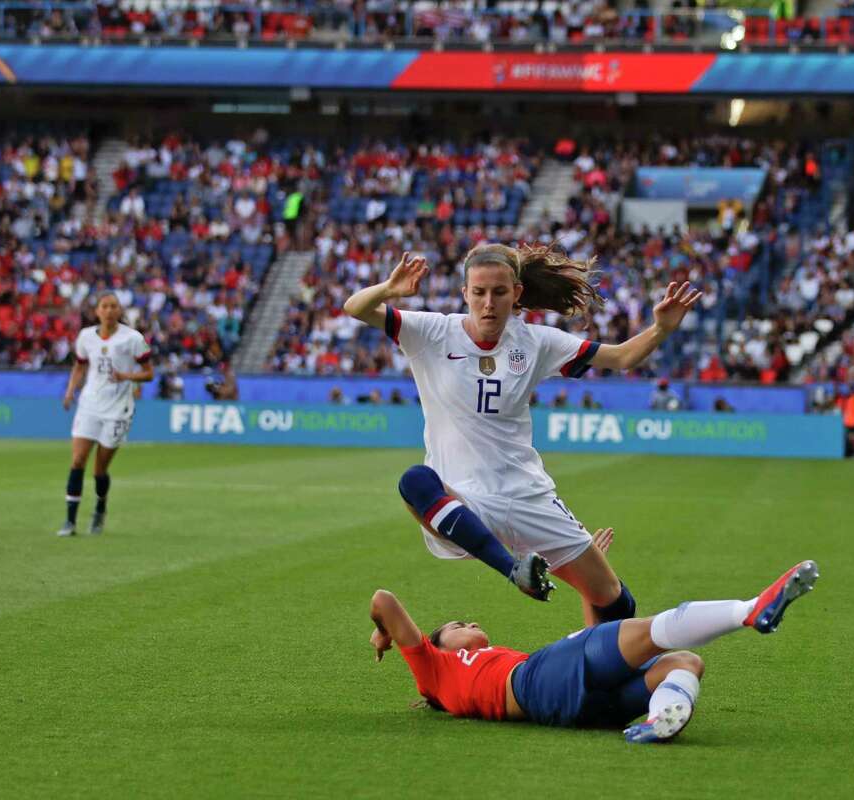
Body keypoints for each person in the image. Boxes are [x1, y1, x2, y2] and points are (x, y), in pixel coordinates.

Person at [344, 246, 700, 624]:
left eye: (499, 292)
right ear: (465, 292)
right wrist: (388, 288)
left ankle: (592, 669)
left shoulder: (536, 341)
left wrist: (661, 328)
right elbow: (356, 307)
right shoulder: (431, 331)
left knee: (614, 601)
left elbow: (621, 358)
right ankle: (514, 570)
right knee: (415, 482)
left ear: (516, 293)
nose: (488, 303)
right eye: (478, 292)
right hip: (465, 503)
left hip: (528, 496)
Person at [370, 556, 820, 743]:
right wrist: (383, 632)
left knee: (684, 662)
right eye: (457, 626)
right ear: (436, 644)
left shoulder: (499, 662)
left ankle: (657, 722)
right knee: (646, 631)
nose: (469, 624)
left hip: (572, 706)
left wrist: (588, 585)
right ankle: (750, 610)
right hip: (539, 684)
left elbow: (592, 651)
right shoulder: (434, 669)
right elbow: (384, 600)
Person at [57, 293, 154, 537]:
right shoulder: (86, 337)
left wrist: (126, 377)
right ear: (97, 311)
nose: (109, 310)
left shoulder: (132, 339)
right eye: (105, 306)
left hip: (118, 409)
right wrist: (70, 392)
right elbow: (79, 366)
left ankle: (100, 507)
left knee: (99, 469)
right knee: (77, 460)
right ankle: (70, 522)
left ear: (119, 311)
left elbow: (149, 373)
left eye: (114, 306)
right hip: (89, 404)